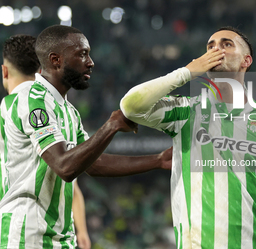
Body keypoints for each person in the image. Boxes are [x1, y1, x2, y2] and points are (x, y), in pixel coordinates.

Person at [121, 26, 256, 249]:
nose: (216, 50)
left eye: (226, 44)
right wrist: (186, 72)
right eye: (210, 46)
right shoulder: (186, 112)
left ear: (246, 60)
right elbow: (130, 106)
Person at [0, 26, 171, 249]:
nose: (90, 62)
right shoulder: (32, 100)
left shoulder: (69, 111)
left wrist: (158, 160)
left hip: (59, 237)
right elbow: (65, 167)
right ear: (56, 60)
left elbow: (94, 163)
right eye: (82, 54)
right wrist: (111, 126)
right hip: (26, 236)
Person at [0, 34, 91, 249]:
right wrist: (82, 230)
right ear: (42, 68)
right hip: (53, 234)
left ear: (4, 71)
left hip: (23, 233)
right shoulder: (65, 111)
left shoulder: (12, 107)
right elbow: (74, 181)